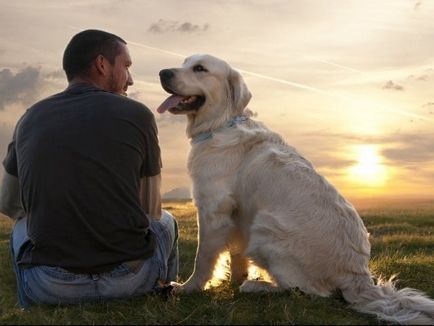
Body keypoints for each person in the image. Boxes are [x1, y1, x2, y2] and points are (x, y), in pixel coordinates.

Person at [0, 29, 178, 309]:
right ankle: (162, 292)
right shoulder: (138, 114)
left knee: (22, 226)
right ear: (101, 64)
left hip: (51, 286)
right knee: (166, 221)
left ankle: (29, 307)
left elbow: (8, 203)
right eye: (127, 66)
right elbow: (150, 210)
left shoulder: (29, 118)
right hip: (129, 280)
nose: (130, 79)